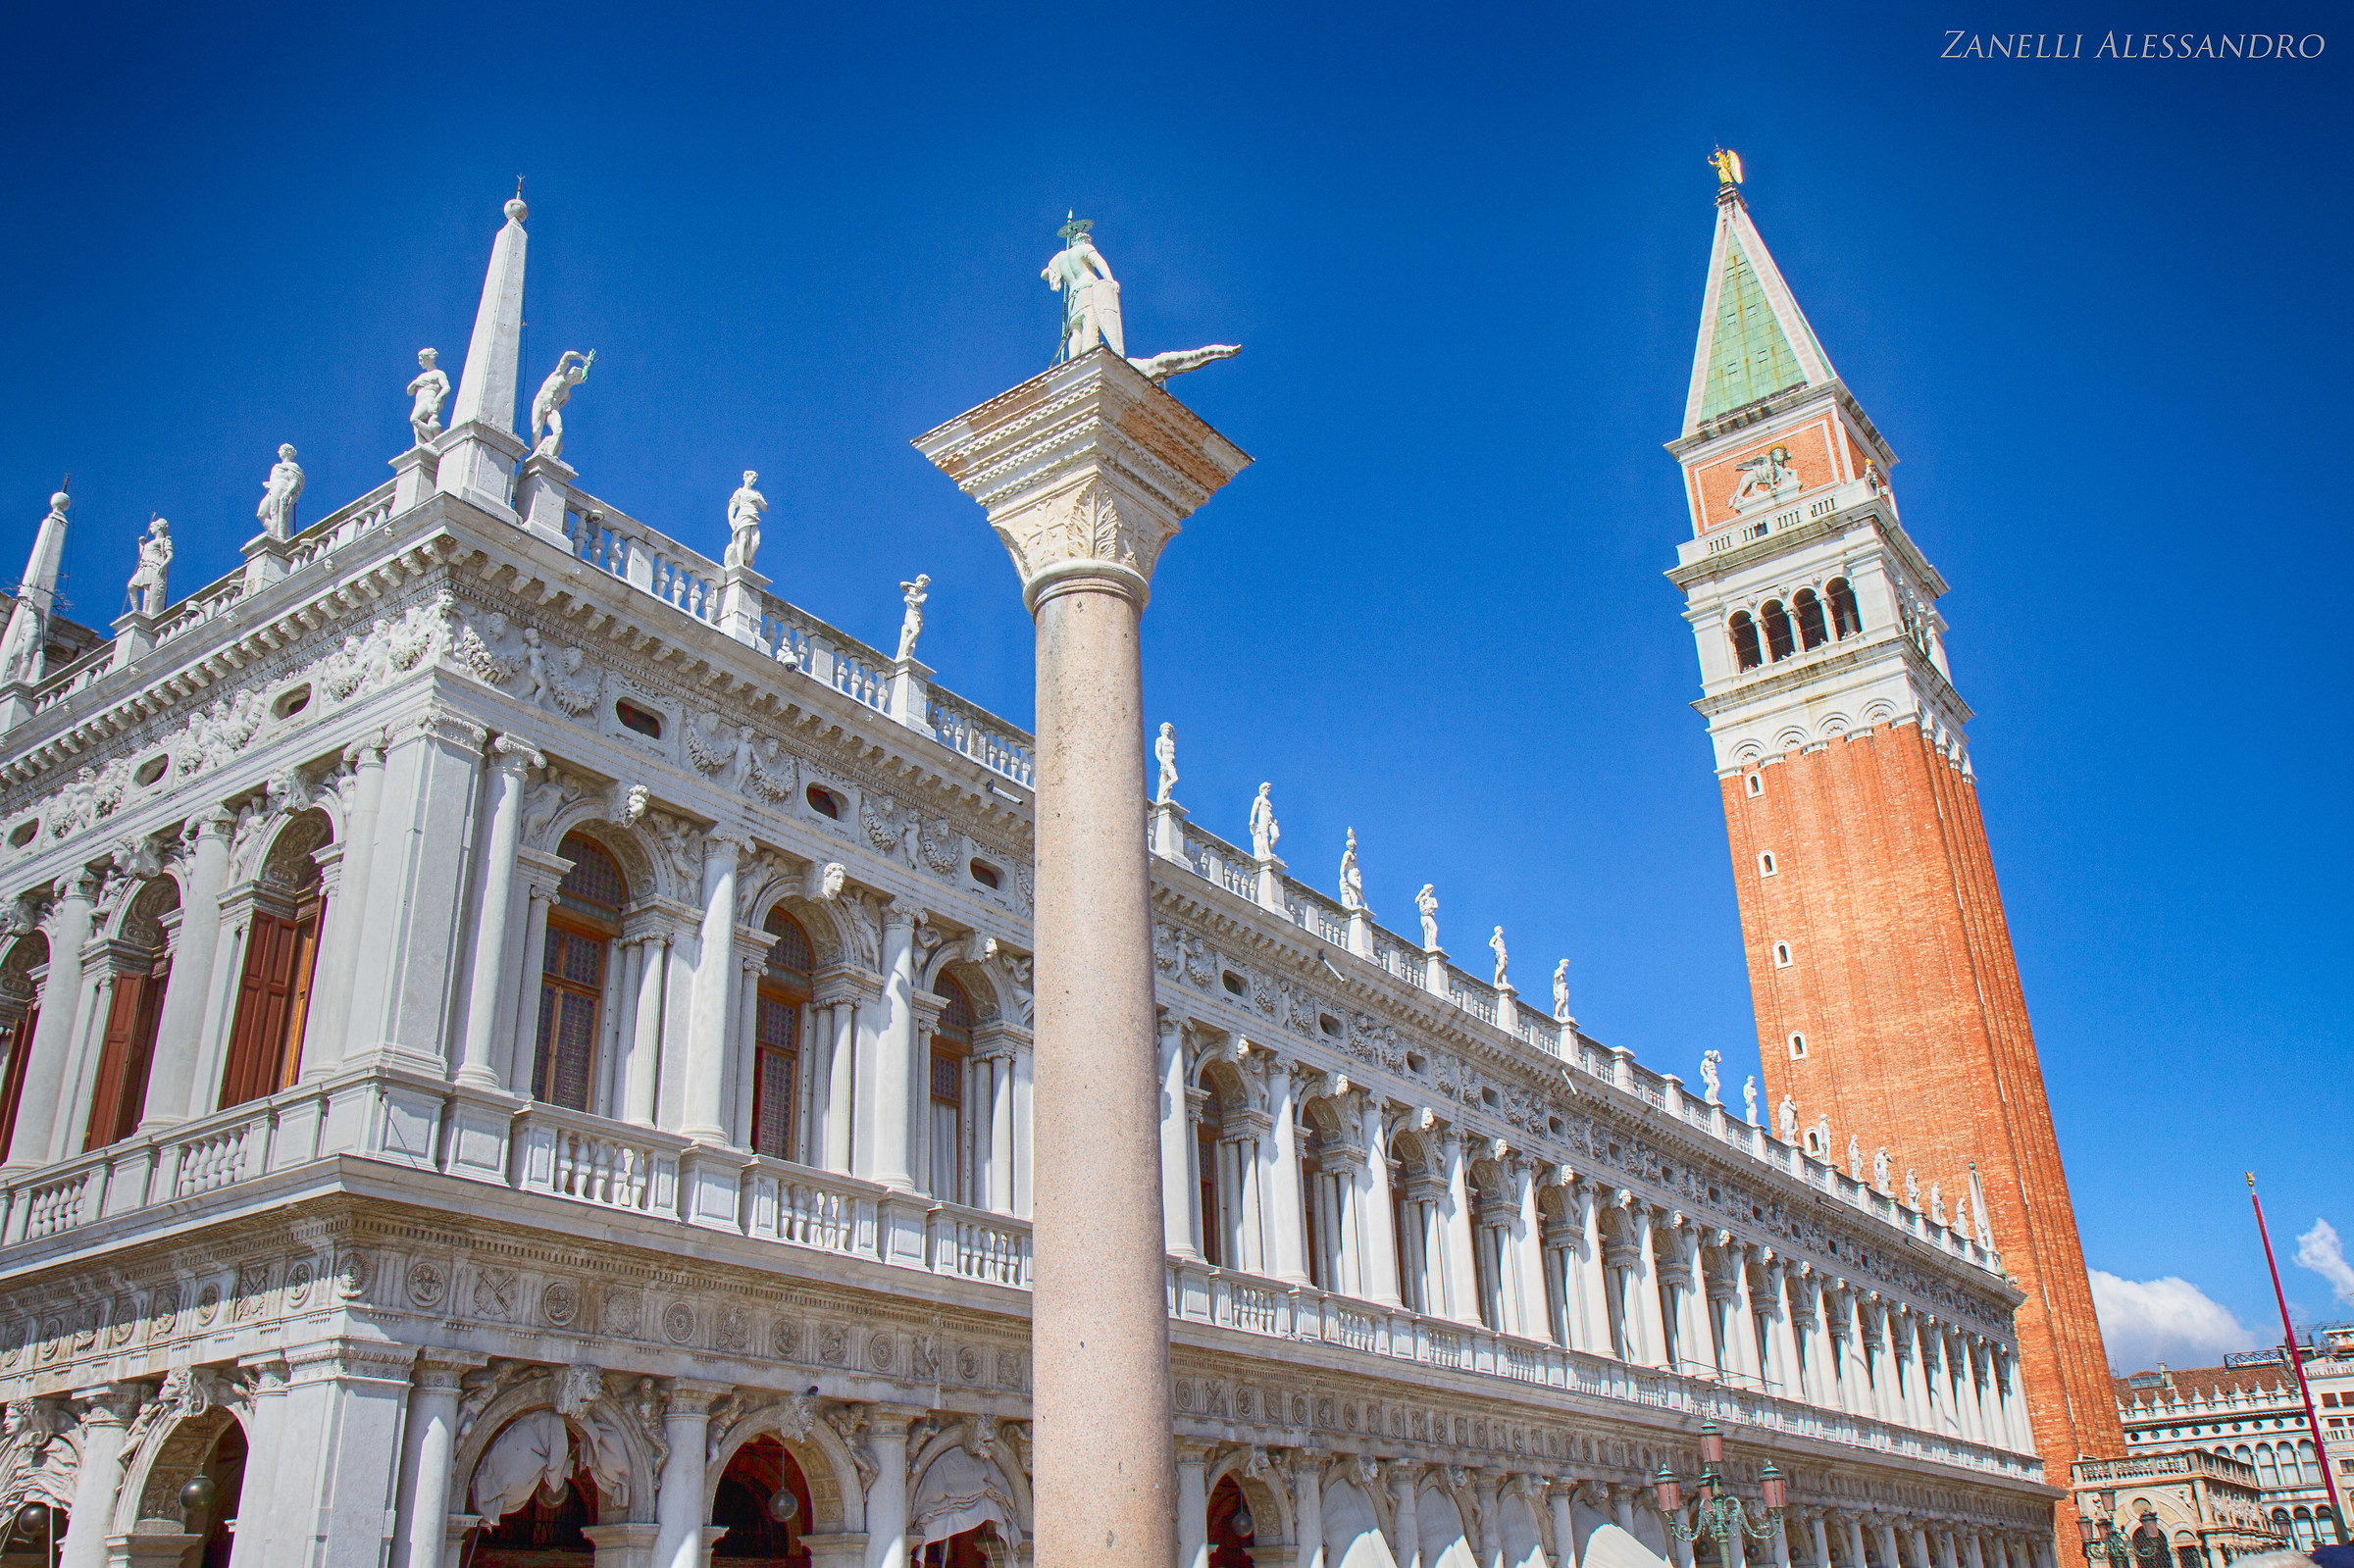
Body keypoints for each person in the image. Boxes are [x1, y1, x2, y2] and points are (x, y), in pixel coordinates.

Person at [1042, 216, 1124, 362]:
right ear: (1085, 240)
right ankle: (1088, 355)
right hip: (1088, 288)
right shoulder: (1085, 249)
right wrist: (1110, 280)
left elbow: (1044, 275)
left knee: (1075, 329)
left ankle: (1073, 358)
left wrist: (1054, 267)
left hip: (1073, 294)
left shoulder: (1060, 258)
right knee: (1089, 320)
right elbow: (1099, 262)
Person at [530, 350, 596, 460]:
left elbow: (560, 406)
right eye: (573, 376)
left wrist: (587, 369)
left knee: (558, 430)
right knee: (536, 431)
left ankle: (549, 457)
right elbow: (567, 355)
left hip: (552, 409)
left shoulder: (567, 394)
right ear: (571, 373)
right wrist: (583, 358)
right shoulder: (559, 375)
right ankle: (534, 456)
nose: (573, 379)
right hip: (541, 402)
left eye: (575, 379)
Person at [257, 444, 304, 539]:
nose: (278, 452)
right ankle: (279, 533)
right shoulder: (278, 466)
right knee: (261, 514)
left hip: (281, 488)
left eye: (280, 449)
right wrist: (269, 485)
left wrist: (288, 493)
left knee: (276, 513)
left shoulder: (292, 466)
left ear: (287, 452)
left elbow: (294, 481)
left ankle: (278, 536)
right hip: (272, 489)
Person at [407, 348, 450, 446]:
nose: (419, 363)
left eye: (421, 360)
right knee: (417, 430)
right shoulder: (421, 376)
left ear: (427, 358)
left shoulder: (438, 373)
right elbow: (409, 392)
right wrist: (415, 383)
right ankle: (423, 445)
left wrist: (438, 398)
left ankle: (434, 443)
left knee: (414, 419)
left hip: (428, 400)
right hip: (419, 403)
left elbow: (447, 388)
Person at [726, 472, 768, 572]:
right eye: (752, 478)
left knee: (756, 542)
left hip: (754, 518)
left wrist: (758, 499)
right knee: (743, 540)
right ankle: (741, 564)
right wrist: (731, 518)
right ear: (746, 478)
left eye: (755, 480)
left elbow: (765, 507)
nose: (753, 481)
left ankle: (747, 561)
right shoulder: (740, 492)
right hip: (743, 516)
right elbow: (733, 506)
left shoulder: (756, 493)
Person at [1153, 723, 1178, 804]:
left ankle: (1165, 797)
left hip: (1171, 763)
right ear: (1162, 730)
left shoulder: (1171, 741)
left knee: (1165, 780)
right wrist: (1162, 762)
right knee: (1174, 778)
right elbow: (1157, 752)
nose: (1167, 730)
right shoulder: (1160, 740)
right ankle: (1161, 795)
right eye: (1166, 728)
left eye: (1168, 729)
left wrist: (1173, 730)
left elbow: (1174, 739)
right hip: (1165, 761)